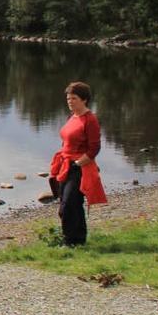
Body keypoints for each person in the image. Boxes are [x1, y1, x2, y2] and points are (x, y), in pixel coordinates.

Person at [49, 81, 107, 246]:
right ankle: (78, 240)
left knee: (69, 205)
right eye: (68, 98)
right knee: (68, 205)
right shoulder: (72, 117)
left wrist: (78, 163)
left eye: (74, 98)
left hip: (80, 167)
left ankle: (71, 241)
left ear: (84, 100)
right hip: (65, 166)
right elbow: (67, 141)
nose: (70, 101)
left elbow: (94, 148)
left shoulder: (90, 120)